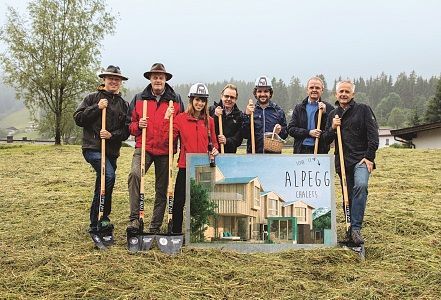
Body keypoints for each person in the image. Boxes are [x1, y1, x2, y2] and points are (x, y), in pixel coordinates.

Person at [127, 63, 184, 234]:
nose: (158, 80)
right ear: (150, 79)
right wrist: (138, 125)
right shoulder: (139, 99)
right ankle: (135, 220)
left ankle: (154, 227)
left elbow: (181, 125)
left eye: (161, 77)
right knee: (135, 175)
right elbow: (128, 126)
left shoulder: (175, 100)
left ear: (165, 79)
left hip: (165, 150)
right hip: (144, 146)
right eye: (155, 77)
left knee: (162, 188)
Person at [73, 65, 130, 233]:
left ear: (120, 82)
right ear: (104, 79)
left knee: (105, 183)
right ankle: (100, 219)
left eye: (117, 79)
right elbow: (78, 118)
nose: (113, 81)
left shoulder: (123, 104)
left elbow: (126, 131)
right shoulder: (92, 98)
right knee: (108, 176)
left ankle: (99, 220)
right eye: (110, 78)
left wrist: (111, 135)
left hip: (111, 151)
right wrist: (97, 108)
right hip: (93, 148)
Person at [322, 80, 379, 245]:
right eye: (341, 91)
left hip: (361, 159)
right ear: (336, 94)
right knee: (348, 197)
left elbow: (373, 136)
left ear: (353, 94)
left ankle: (355, 229)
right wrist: (332, 127)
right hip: (343, 161)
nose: (344, 94)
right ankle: (349, 231)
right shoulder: (333, 114)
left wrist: (369, 157)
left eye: (347, 92)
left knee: (360, 186)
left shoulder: (363, 110)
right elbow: (326, 139)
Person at [164, 83, 219, 233]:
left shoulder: (210, 122)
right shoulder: (180, 119)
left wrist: (215, 149)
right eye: (197, 99)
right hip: (185, 166)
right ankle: (176, 231)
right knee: (179, 201)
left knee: (201, 202)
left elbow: (214, 143)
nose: (200, 103)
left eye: (203, 100)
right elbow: (168, 138)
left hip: (203, 167)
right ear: (191, 100)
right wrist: (167, 119)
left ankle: (199, 233)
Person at [287, 76, 334, 154]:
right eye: (311, 87)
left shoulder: (329, 108)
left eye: (317, 88)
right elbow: (291, 129)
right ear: (307, 90)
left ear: (322, 90)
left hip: (320, 152)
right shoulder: (299, 108)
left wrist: (325, 114)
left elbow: (330, 134)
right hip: (301, 151)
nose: (314, 90)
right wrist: (308, 132)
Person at [242, 75, 288, 153]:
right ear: (255, 93)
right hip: (254, 156)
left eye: (266, 91)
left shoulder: (278, 111)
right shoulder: (250, 111)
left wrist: (280, 131)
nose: (262, 94)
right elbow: (244, 134)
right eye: (259, 91)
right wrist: (246, 115)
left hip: (273, 157)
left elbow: (285, 134)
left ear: (270, 93)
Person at [209, 84, 243, 153]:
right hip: (212, 154)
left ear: (236, 99)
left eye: (232, 97)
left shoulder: (239, 116)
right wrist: (215, 116)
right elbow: (206, 130)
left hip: (229, 156)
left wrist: (226, 141)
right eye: (226, 96)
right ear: (221, 96)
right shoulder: (211, 110)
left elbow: (239, 139)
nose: (229, 99)